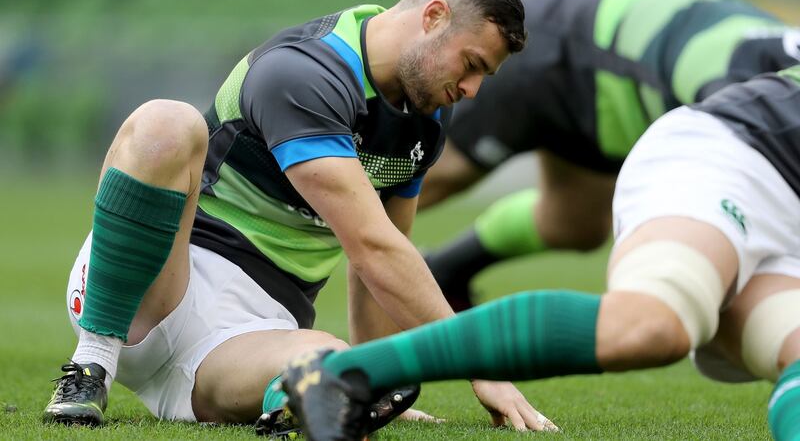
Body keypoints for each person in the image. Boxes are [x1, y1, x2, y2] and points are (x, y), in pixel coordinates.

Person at [41, 0, 538, 436]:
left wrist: (374, 378)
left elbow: (388, 257)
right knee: (166, 122)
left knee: (340, 369)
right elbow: (372, 246)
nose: (472, 88)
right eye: (471, 64)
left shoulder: (426, 117)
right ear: (433, 17)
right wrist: (477, 362)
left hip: (249, 340)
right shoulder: (306, 72)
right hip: (153, 288)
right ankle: (91, 365)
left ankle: (289, 401)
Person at [279, 65, 800, 441]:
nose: (472, 86)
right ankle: (346, 374)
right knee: (652, 324)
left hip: (777, 192)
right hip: (737, 155)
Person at [418, 0, 800, 311]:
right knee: (426, 179)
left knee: (575, 224)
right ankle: (391, 272)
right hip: (560, 44)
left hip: (611, 86)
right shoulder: (744, 91)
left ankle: (445, 270)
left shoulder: (772, 86)